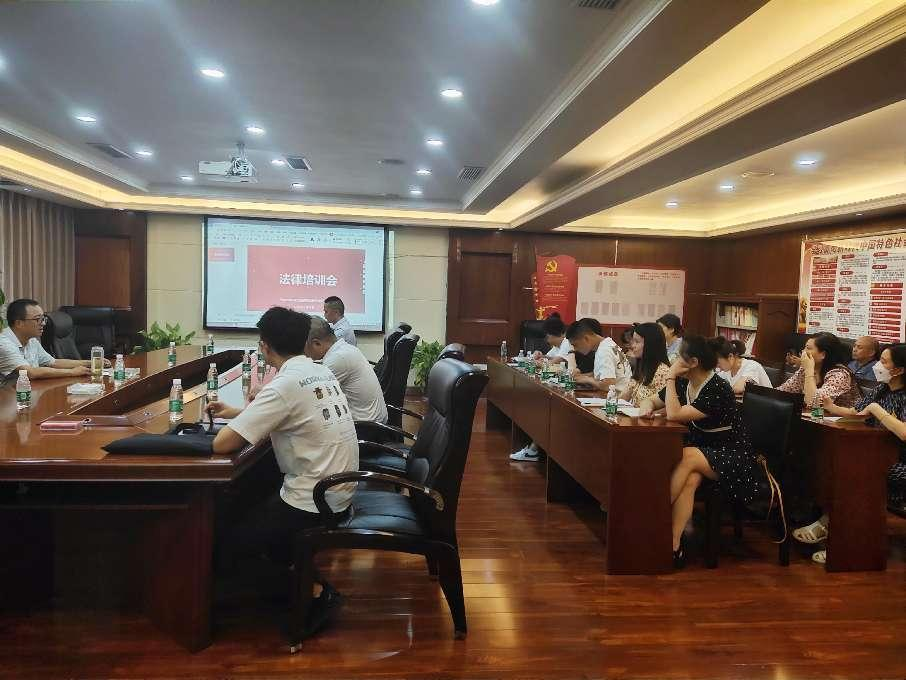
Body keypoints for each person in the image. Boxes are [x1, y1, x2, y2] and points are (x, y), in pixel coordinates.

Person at [207, 306, 358, 633]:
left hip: (314, 501)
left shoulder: (285, 384)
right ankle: (296, 577)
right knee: (250, 496)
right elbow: (289, 412)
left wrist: (234, 421)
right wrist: (235, 412)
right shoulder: (318, 371)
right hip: (337, 489)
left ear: (264, 346)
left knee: (227, 548)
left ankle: (315, 592)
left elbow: (222, 444)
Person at [639, 336, 757, 568]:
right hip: (703, 452)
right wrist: (647, 408)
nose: (674, 360)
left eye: (679, 356)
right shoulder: (686, 383)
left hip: (733, 455)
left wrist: (670, 377)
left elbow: (674, 414)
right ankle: (672, 543)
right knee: (691, 478)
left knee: (687, 456)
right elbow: (651, 401)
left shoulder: (717, 388)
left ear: (693, 362)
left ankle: (652, 520)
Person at [794, 343, 906, 564]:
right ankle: (830, 526)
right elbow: (856, 412)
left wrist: (876, 410)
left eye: (884, 362)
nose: (878, 366)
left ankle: (844, 545)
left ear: (899, 370)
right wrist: (831, 407)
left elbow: (903, 433)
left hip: (899, 462)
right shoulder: (882, 389)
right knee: (836, 465)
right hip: (876, 455)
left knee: (856, 476)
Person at [510, 313, 572, 462]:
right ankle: (533, 446)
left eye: (548, 336)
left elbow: (551, 365)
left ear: (555, 335)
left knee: (543, 408)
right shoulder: (558, 345)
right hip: (560, 385)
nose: (546, 340)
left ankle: (534, 450)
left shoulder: (567, 344)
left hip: (567, 389)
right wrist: (541, 355)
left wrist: (542, 362)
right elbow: (549, 359)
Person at [304, 316, 388, 423]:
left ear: (317, 343)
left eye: (304, 347)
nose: (304, 352)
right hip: (370, 419)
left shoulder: (338, 358)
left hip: (365, 426)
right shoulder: (343, 349)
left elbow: (311, 395)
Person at [0, 298, 100, 378]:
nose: (43, 323)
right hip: (11, 395)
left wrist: (90, 363)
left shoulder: (31, 340)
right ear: (19, 323)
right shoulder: (4, 343)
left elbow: (53, 362)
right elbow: (30, 372)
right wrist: (72, 372)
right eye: (37, 319)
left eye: (43, 319)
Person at [777, 331, 859, 407]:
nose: (803, 352)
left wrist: (809, 371)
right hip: (814, 416)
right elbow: (783, 392)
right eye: (804, 347)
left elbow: (815, 404)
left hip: (840, 418)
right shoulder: (805, 369)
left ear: (823, 354)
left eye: (808, 348)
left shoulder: (840, 374)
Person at [565, 318, 631, 393]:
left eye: (575, 345)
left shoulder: (604, 351)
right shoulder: (608, 343)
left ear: (586, 338)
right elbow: (601, 374)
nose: (575, 349)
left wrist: (588, 379)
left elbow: (608, 385)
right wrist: (582, 376)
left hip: (619, 397)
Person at [621, 322, 670, 407]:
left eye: (637, 342)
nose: (632, 346)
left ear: (650, 344)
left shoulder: (663, 372)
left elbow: (666, 407)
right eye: (633, 341)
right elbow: (624, 396)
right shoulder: (642, 367)